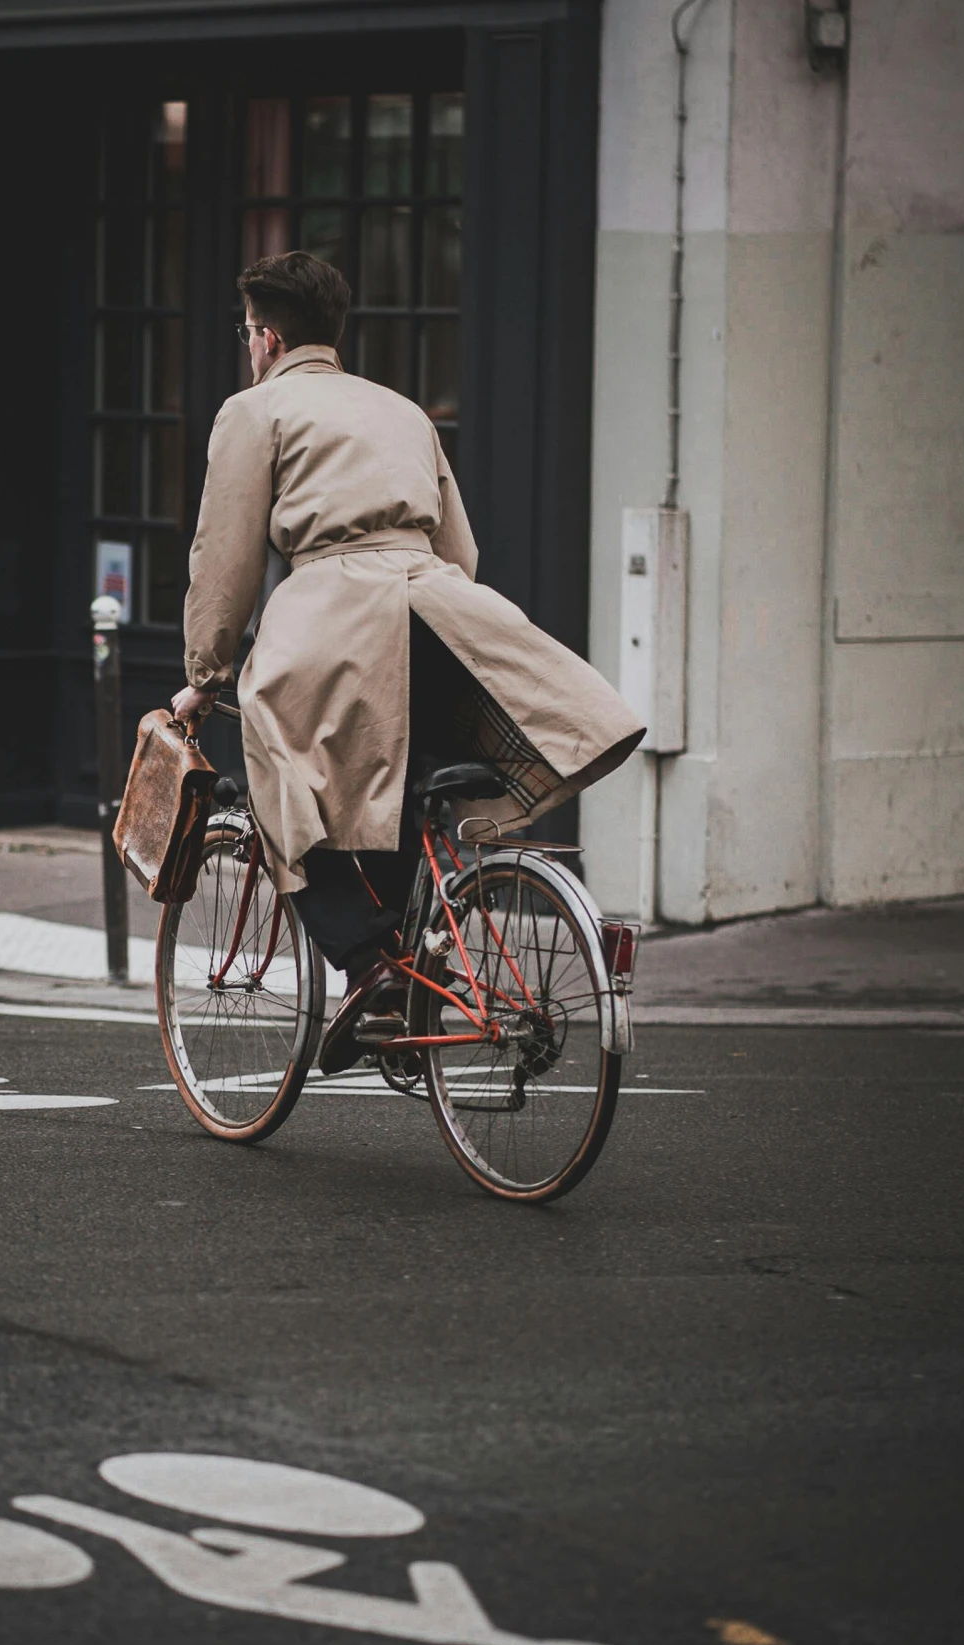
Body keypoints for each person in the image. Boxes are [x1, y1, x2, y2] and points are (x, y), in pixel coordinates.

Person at [171, 251, 643, 1076]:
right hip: (438, 610)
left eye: (247, 333)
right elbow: (458, 548)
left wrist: (206, 674)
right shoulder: (401, 410)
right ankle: (414, 968)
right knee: (390, 792)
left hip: (331, 612)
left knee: (284, 785)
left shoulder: (255, 410)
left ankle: (372, 969)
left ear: (268, 337)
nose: (248, 346)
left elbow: (225, 560)